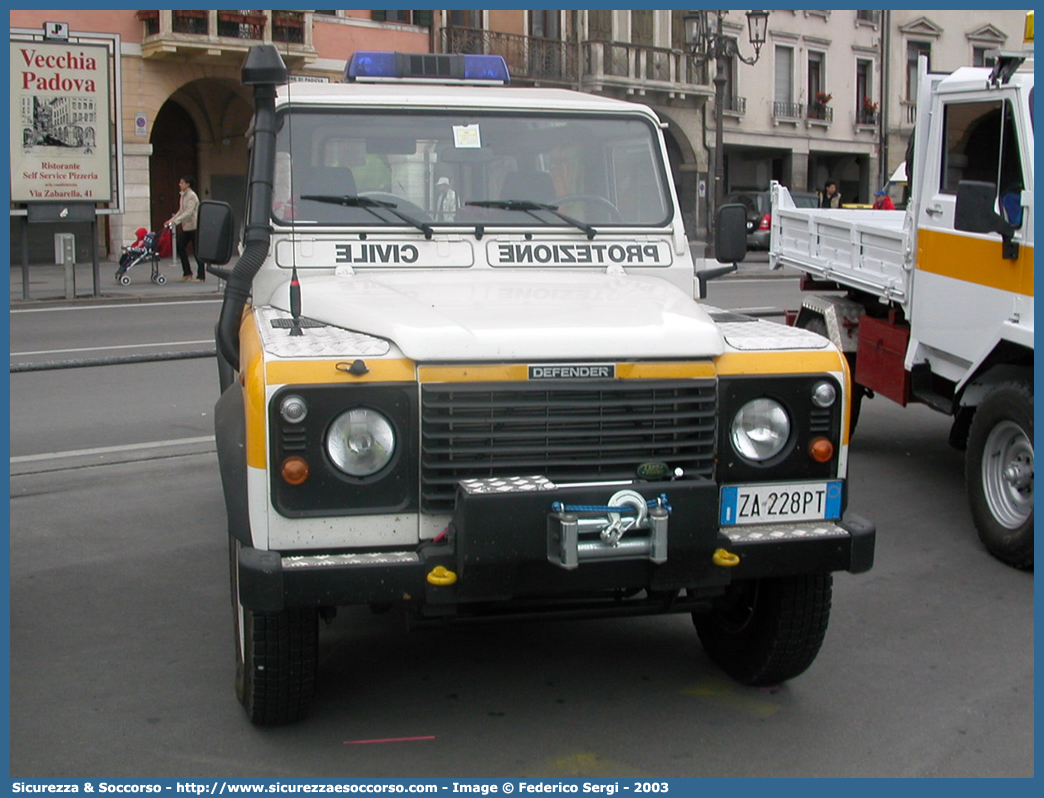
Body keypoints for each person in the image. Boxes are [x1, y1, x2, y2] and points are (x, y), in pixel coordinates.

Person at [166, 175, 205, 282]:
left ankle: (201, 275)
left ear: (188, 184)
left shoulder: (192, 195)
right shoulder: (183, 195)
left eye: (182, 183)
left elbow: (189, 212)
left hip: (194, 226)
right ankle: (187, 272)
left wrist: (176, 222)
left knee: (197, 252)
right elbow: (181, 210)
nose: (180, 185)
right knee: (180, 246)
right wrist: (171, 220)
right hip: (187, 227)